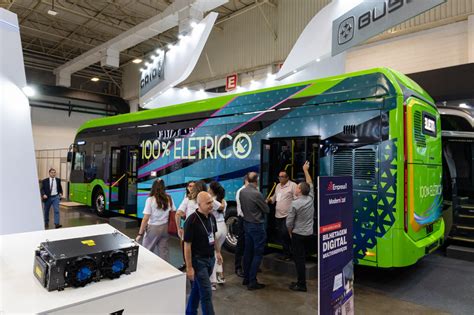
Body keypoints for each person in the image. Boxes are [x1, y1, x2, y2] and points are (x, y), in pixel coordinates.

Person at [184, 191, 223, 315]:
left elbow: (214, 236)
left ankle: (190, 312)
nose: (211, 205)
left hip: (210, 259)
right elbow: (187, 246)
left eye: (212, 202)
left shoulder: (211, 217)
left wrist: (218, 252)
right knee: (206, 293)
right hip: (198, 261)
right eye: (208, 203)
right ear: (199, 204)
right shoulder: (191, 221)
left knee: (197, 289)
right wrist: (189, 267)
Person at [177, 181, 221, 270]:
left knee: (189, 248)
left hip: (191, 229)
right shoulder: (209, 200)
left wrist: (179, 228)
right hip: (205, 229)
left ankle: (189, 266)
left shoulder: (188, 199)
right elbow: (221, 207)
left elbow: (178, 213)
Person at [286, 161, 315, 292]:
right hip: (308, 234)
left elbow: (289, 223)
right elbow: (310, 183)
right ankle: (300, 282)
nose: (296, 188)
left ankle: (301, 284)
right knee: (302, 258)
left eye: (297, 187)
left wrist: (290, 232)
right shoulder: (310, 198)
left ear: (300, 191)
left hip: (298, 235)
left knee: (299, 260)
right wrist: (305, 170)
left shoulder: (295, 204)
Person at [239, 172, 269, 290]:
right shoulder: (257, 194)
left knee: (248, 252)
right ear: (256, 181)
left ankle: (246, 278)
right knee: (257, 254)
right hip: (257, 226)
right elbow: (266, 209)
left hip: (247, 224)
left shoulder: (242, 192)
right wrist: (265, 202)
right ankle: (252, 281)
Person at [135, 179, 174, 262]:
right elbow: (174, 210)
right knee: (164, 252)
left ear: (153, 187)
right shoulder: (169, 198)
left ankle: (146, 269)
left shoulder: (150, 200)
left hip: (153, 228)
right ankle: (165, 270)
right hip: (165, 228)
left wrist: (140, 234)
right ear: (164, 187)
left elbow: (145, 218)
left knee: (147, 250)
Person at [267, 170, 297, 261]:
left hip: (288, 215)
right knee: (281, 235)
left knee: (285, 234)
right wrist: (269, 200)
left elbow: (297, 199)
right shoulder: (278, 186)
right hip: (278, 215)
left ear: (287, 178)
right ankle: (286, 253)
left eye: (282, 177)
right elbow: (275, 197)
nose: (280, 178)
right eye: (279, 177)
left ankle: (291, 254)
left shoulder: (293, 185)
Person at [208, 181, 227, 290]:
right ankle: (221, 276)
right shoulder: (222, 200)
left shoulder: (212, 200)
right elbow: (222, 207)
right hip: (223, 227)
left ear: (212, 189)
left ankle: (213, 282)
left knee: (213, 254)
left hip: (214, 228)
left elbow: (219, 207)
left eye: (209, 188)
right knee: (218, 252)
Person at [234, 174, 248, 278]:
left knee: (249, 244)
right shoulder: (241, 191)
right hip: (243, 219)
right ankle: (238, 267)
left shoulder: (253, 190)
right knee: (241, 244)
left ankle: (248, 265)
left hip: (249, 220)